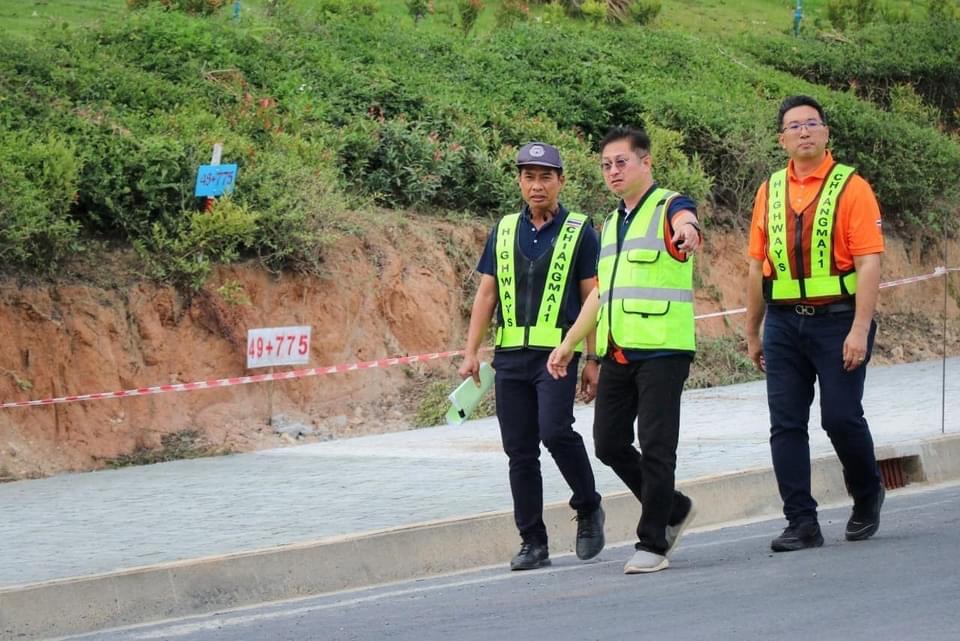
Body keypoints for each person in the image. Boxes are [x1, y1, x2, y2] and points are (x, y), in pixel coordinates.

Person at [548, 126, 702, 574]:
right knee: (609, 443)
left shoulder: (670, 205)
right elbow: (600, 294)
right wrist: (570, 344)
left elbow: (687, 222)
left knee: (656, 446)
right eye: (606, 165)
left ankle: (653, 542)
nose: (613, 171)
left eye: (621, 162)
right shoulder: (612, 223)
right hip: (618, 351)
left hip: (663, 350)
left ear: (645, 162)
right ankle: (674, 507)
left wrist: (688, 231)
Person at [745, 95, 886, 552]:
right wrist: (752, 331)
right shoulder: (769, 191)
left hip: (838, 321)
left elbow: (868, 263)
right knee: (786, 424)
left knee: (840, 418)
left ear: (826, 133)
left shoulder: (852, 187)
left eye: (811, 123)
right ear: (781, 139)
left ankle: (867, 493)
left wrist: (860, 329)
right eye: (794, 126)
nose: (803, 132)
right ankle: (801, 522)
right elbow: (756, 266)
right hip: (784, 325)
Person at [458, 141, 605, 571]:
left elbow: (592, 296)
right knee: (519, 451)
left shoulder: (580, 231)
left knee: (555, 432)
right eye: (528, 177)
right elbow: (486, 294)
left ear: (560, 181)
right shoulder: (504, 229)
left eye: (545, 177)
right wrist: (471, 352)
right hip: (509, 359)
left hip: (556, 355)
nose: (536, 185)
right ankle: (533, 542)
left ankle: (588, 505)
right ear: (519, 182)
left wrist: (592, 359)